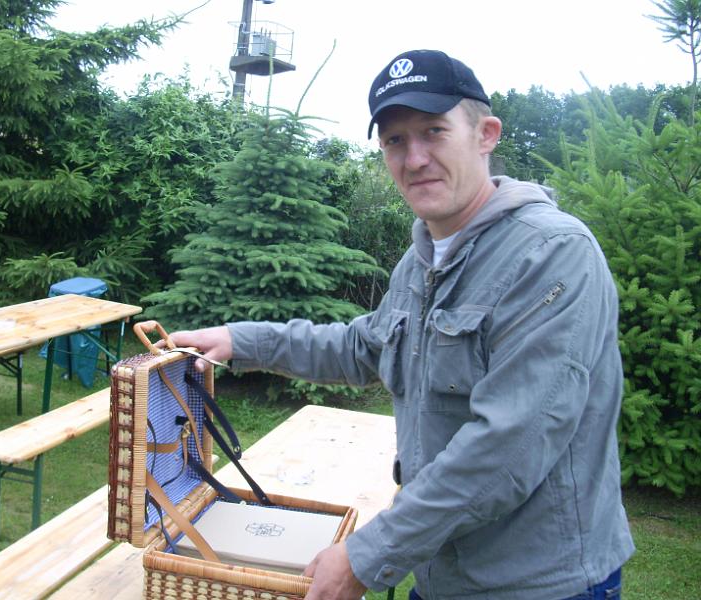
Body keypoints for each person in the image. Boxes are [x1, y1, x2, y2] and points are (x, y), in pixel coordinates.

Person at [171, 49, 634, 600]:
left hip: (541, 585)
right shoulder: (421, 261)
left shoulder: (552, 254)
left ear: (485, 135)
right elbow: (362, 347)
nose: (414, 158)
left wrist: (369, 556)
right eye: (395, 140)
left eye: (434, 131)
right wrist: (239, 340)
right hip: (442, 575)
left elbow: (511, 444)